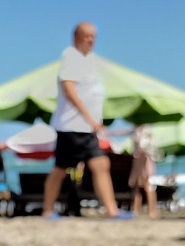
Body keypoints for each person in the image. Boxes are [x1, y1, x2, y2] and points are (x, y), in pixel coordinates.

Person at [42, 22, 129, 220]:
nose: (91, 39)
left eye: (93, 36)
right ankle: (47, 211)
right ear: (76, 37)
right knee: (60, 170)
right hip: (71, 127)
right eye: (87, 35)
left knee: (100, 165)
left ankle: (112, 210)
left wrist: (94, 121)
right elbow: (69, 89)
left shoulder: (88, 61)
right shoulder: (71, 57)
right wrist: (90, 118)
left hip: (85, 128)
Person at [128, 125, 159, 218]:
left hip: (145, 162)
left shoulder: (147, 130)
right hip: (138, 162)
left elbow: (149, 146)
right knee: (137, 187)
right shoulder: (137, 130)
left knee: (147, 186)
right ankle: (137, 210)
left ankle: (151, 211)